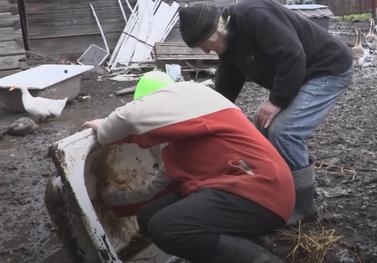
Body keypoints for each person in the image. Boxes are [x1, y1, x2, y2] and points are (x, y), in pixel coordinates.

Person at [83, 71, 293, 263]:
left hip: (261, 188)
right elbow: (154, 191)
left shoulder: (192, 96)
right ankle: (255, 247)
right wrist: (110, 200)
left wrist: (105, 130)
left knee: (167, 227)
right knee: (149, 216)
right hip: (240, 190)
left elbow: (129, 117)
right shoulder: (180, 142)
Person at [177, 0, 353, 225]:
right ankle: (278, 189)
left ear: (214, 33)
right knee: (262, 126)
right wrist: (211, 114)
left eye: (204, 45)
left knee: (284, 131)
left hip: (328, 68)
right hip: (301, 74)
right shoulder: (229, 42)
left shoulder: (253, 15)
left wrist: (276, 101)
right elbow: (228, 79)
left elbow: (291, 55)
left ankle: (304, 205)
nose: (206, 51)